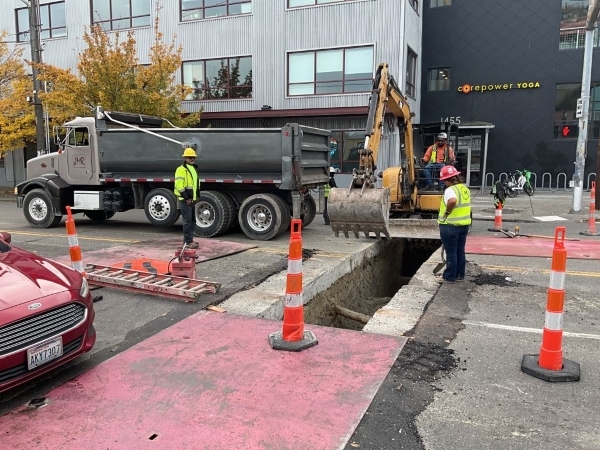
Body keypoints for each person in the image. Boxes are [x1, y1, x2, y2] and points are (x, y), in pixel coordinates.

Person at [437, 165, 471, 283]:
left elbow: (452, 200)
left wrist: (447, 212)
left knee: (451, 252)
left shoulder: (450, 190)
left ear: (447, 180)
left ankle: (449, 276)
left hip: (450, 225)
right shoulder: (464, 188)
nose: (444, 183)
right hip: (463, 226)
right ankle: (459, 275)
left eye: (444, 181)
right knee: (460, 251)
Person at [174, 148, 201, 249]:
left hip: (192, 199)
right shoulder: (181, 169)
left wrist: (196, 196)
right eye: (190, 157)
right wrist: (186, 198)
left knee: (192, 221)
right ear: (185, 158)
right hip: (185, 200)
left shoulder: (193, 168)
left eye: (193, 157)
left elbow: (195, 185)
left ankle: (189, 240)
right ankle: (188, 242)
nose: (192, 158)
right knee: (187, 221)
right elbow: (179, 185)